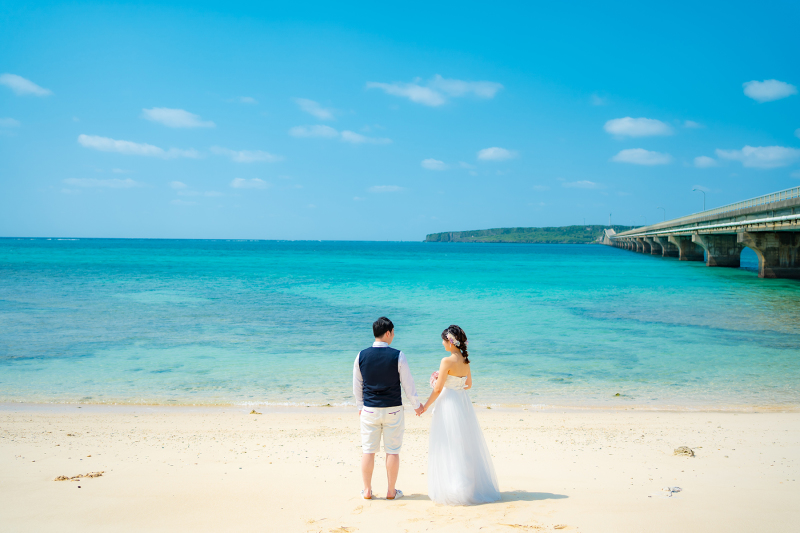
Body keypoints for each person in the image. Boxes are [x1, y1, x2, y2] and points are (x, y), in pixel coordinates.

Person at [421, 325, 501, 505]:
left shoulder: (446, 361)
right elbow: (469, 384)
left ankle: (455, 487)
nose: (442, 344)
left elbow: (438, 388)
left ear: (450, 342)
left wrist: (425, 406)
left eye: (443, 340)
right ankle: (467, 485)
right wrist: (453, 383)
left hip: (448, 403)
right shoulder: (466, 360)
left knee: (449, 443)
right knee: (464, 444)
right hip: (462, 403)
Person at [353, 317, 424, 500]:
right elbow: (408, 384)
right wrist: (417, 406)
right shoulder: (398, 355)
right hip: (393, 409)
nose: (393, 336)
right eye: (393, 332)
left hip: (369, 409)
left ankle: (367, 490)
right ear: (387, 333)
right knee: (392, 450)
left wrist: (360, 406)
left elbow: (357, 385)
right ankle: (391, 491)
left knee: (368, 450)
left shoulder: (361, 355)